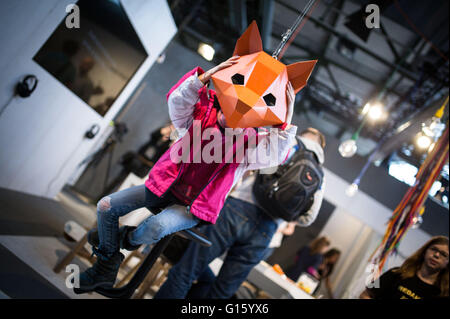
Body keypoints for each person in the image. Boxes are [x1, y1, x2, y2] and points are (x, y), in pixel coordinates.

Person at [74, 56, 299, 293]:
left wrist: (286, 120)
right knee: (106, 206)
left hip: (192, 207)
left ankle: (121, 241)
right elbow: (178, 102)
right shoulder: (203, 110)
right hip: (163, 187)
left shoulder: (250, 143)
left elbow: (274, 154)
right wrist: (204, 77)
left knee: (156, 227)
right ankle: (105, 266)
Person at [154, 127, 327, 299]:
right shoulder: (319, 174)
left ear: (303, 136)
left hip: (238, 208)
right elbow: (308, 218)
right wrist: (285, 214)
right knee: (222, 292)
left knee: (187, 271)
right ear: (320, 147)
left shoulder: (287, 143)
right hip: (266, 230)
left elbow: (249, 165)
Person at [360, 236, 449, 299]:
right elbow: (365, 295)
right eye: (434, 249)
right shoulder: (396, 273)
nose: (436, 255)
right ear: (425, 251)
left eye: (443, 254)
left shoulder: (442, 293)